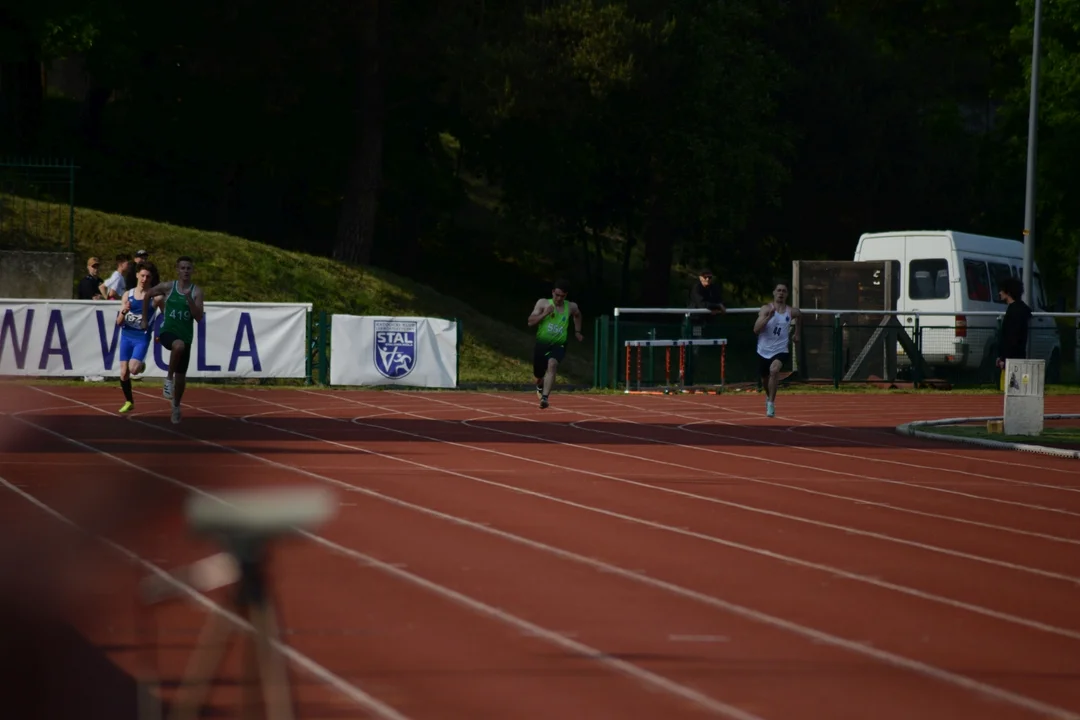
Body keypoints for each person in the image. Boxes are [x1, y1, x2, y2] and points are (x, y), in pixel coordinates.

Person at [146, 256, 204, 424]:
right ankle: (168, 379)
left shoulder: (196, 292)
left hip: (186, 335)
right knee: (177, 346)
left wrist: (188, 299)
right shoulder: (168, 287)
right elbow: (148, 294)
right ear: (177, 270)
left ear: (192, 271)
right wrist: (145, 317)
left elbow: (199, 317)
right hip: (167, 331)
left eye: (188, 268)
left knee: (182, 378)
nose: (185, 271)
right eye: (182, 268)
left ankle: (176, 405)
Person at [526, 279, 583, 409]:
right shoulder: (543, 303)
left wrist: (578, 331)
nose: (558, 298)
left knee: (552, 364)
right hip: (542, 344)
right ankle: (540, 384)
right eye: (556, 295)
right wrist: (545, 313)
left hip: (559, 345)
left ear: (566, 295)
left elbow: (578, 315)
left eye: (562, 296)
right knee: (538, 374)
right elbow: (530, 322)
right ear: (553, 292)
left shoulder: (571, 306)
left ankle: (545, 398)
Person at [115, 262, 161, 414]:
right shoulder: (127, 295)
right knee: (123, 373)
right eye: (142, 275)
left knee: (133, 370)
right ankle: (129, 401)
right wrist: (124, 311)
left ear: (151, 278)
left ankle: (140, 365)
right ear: (137, 275)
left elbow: (165, 314)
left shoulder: (155, 297)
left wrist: (162, 331)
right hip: (127, 336)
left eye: (147, 277)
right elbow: (118, 322)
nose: (144, 279)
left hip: (142, 337)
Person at [753, 282, 801, 418]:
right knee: (764, 379)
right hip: (763, 350)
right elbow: (756, 329)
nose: (781, 293)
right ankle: (769, 397)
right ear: (774, 293)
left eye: (784, 291)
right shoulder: (766, 309)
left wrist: (797, 333)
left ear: (787, 294)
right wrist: (768, 318)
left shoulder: (791, 311)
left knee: (774, 371)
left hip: (781, 350)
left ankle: (771, 404)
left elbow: (800, 315)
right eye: (778, 290)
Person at [685, 269, 726, 386]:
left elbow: (721, 302)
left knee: (698, 350)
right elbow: (702, 304)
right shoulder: (696, 288)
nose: (707, 279)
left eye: (710, 277)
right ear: (700, 277)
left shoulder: (714, 288)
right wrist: (716, 306)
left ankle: (693, 379)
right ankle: (686, 379)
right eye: (705, 277)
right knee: (691, 351)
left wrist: (717, 307)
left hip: (704, 323)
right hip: (693, 323)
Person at [996, 276, 1033, 392]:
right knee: (1014, 390)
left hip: (1012, 359)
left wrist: (1004, 358)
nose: (1000, 293)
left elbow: (1012, 337)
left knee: (1010, 390)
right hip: (1016, 356)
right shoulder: (1019, 309)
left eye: (1002, 290)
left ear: (1008, 292)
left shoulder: (1015, 312)